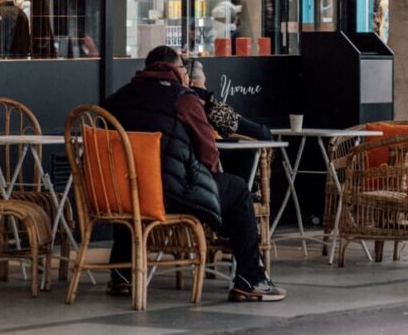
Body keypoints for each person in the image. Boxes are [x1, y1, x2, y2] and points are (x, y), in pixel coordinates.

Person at [102, 46, 286, 302]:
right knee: (238, 190)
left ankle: (122, 276)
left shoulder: (115, 99)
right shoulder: (183, 98)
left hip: (121, 193)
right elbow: (208, 152)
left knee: (134, 185)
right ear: (176, 70)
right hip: (171, 194)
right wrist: (209, 180)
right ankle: (250, 278)